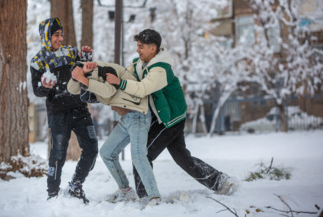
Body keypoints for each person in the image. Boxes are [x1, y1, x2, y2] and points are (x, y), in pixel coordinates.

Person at [106, 29, 237, 199]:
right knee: (182, 157)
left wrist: (120, 82)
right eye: (137, 46)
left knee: (142, 153)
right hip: (167, 116)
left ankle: (146, 196)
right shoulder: (141, 63)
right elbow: (125, 72)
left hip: (169, 119)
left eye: (141, 47)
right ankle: (220, 182)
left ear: (152, 49)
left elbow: (142, 88)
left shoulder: (160, 69)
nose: (137, 50)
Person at [67, 59, 162, 206]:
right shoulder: (85, 79)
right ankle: (125, 190)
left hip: (138, 115)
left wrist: (83, 77)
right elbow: (72, 90)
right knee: (107, 153)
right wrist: (77, 77)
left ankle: (155, 197)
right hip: (126, 119)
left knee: (138, 156)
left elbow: (109, 90)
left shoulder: (105, 69)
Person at [30, 17, 98, 203]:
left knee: (92, 148)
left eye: (61, 34)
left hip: (79, 109)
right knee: (58, 154)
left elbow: (86, 72)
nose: (60, 38)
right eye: (56, 35)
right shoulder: (38, 61)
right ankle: (53, 194)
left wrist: (86, 60)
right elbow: (37, 90)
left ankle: (76, 186)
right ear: (46, 37)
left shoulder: (71, 52)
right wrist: (44, 85)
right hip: (58, 113)